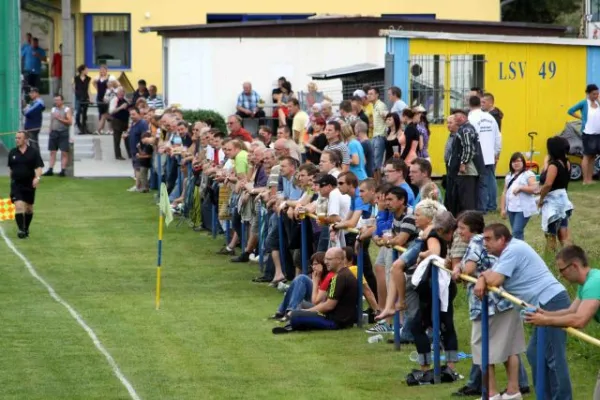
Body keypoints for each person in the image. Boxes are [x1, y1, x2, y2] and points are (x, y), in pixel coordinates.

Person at [477, 224, 572, 400]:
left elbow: (496, 279)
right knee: (535, 353)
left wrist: (483, 278)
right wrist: (483, 277)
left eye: (489, 239)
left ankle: (562, 398)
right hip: (543, 304)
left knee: (553, 357)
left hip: (551, 302)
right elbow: (491, 273)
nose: (485, 243)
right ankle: (546, 396)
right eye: (483, 239)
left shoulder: (514, 250)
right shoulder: (506, 253)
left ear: (502, 239)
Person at [453, 211, 527, 400]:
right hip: (508, 299)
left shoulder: (477, 241)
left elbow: (469, 268)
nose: (459, 232)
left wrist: (459, 269)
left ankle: (492, 393)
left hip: (488, 304)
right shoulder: (489, 242)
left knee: (482, 348)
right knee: (511, 347)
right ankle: (513, 391)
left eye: (462, 228)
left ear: (473, 229)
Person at [525, 245, 600, 400]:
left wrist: (546, 321)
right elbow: (571, 311)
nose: (560, 275)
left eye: (562, 270)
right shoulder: (586, 283)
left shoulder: (594, 283)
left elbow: (580, 320)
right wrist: (544, 313)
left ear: (574, 266)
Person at [273, 247, 358, 334]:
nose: (325, 262)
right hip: (341, 319)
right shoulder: (344, 274)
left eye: (329, 259)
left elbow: (328, 306)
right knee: (299, 310)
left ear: (339, 260)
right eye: (325, 259)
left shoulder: (339, 277)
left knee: (296, 315)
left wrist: (305, 311)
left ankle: (291, 324)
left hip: (335, 321)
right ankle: (290, 321)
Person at [539, 137, 573, 251]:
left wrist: (540, 199)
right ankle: (570, 255)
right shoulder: (567, 162)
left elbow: (548, 184)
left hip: (553, 201)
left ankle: (550, 257)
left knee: (550, 233)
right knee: (563, 232)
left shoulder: (554, 165)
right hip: (563, 200)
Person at [7, 131, 44, 239]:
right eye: (16, 138)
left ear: (25, 140)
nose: (16, 140)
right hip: (16, 184)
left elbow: (38, 168)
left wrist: (37, 178)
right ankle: (21, 230)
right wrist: (12, 180)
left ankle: (26, 228)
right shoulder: (12, 153)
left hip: (29, 184)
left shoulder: (33, 152)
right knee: (18, 206)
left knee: (29, 209)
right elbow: (11, 168)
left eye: (19, 138)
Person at [500, 152, 538, 240]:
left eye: (518, 161)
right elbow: (504, 193)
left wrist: (521, 188)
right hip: (511, 209)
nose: (516, 163)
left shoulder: (528, 174)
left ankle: (517, 250)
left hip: (523, 209)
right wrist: (502, 209)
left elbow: (535, 189)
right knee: (517, 232)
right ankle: (521, 250)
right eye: (513, 161)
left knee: (516, 232)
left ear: (523, 162)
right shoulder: (509, 176)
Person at [567, 84, 600, 185]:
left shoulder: (598, 103)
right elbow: (570, 111)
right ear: (588, 93)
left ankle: (590, 178)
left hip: (597, 133)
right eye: (594, 94)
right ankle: (585, 180)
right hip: (588, 133)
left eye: (597, 94)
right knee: (587, 155)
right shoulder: (584, 103)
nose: (596, 96)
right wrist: (581, 118)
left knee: (593, 156)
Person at [43, 95, 72, 177]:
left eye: (58, 100)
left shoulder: (67, 109)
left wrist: (59, 118)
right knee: (52, 152)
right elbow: (52, 120)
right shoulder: (53, 109)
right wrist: (50, 129)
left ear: (62, 101)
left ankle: (63, 170)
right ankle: (50, 169)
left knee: (64, 152)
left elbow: (70, 122)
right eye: (55, 100)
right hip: (54, 132)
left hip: (63, 132)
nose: (56, 102)